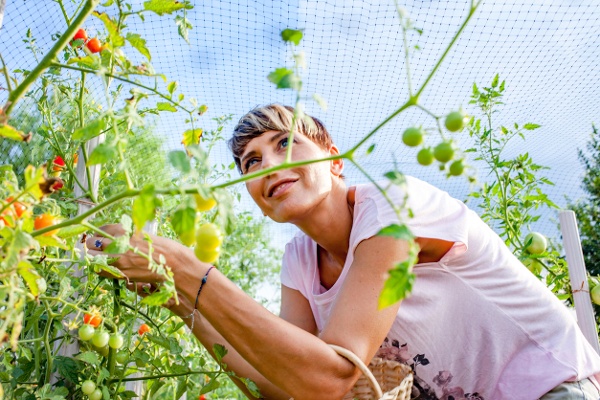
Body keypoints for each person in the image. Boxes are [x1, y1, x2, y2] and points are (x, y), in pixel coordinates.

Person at [87, 104, 600, 400]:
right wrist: (178, 296)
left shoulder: (394, 204)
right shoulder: (299, 262)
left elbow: (330, 377)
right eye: (250, 162)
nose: (266, 166)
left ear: (333, 155)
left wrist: (186, 266)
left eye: (285, 143)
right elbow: (281, 383)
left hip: (551, 389)